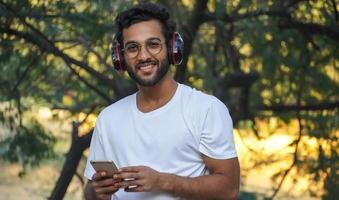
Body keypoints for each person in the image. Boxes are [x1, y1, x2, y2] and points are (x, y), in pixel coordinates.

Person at [84, 3, 240, 200]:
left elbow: (229, 189)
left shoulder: (206, 109)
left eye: (153, 44)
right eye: (132, 48)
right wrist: (96, 191)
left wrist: (163, 182)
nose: (143, 56)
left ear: (172, 48)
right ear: (120, 57)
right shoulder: (108, 118)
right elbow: (90, 192)